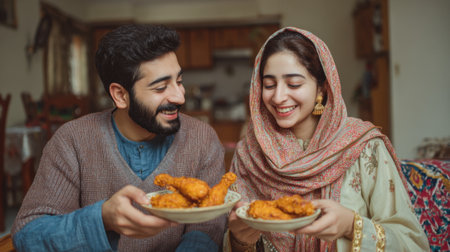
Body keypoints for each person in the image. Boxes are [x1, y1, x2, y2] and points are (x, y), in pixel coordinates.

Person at [12, 24, 226, 251]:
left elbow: (206, 229)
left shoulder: (203, 139)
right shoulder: (72, 141)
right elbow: (28, 235)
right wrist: (102, 219)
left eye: (179, 81)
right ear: (120, 95)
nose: (179, 96)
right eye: (161, 87)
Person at [225, 27, 429, 251]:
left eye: (294, 84)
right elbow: (234, 241)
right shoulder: (249, 155)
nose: (278, 97)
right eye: (269, 85)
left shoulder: (363, 147)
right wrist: (239, 240)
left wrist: (352, 226)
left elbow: (413, 244)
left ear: (321, 89)